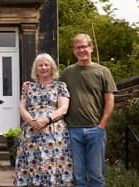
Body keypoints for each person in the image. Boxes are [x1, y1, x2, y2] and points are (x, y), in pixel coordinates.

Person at [60, 33, 117, 187]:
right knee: (78, 177)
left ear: (91, 48)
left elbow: (110, 100)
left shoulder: (103, 72)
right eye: (77, 47)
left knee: (96, 176)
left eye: (84, 46)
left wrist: (102, 125)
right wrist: (30, 84)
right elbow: (54, 92)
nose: (81, 50)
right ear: (74, 51)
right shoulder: (67, 73)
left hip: (95, 130)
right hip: (72, 131)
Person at [13, 53, 74, 186]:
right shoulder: (28, 87)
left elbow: (63, 109)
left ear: (52, 68)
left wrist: (46, 120)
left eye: (47, 65)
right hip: (31, 132)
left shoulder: (60, 86)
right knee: (31, 162)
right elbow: (22, 107)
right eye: (40, 65)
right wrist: (31, 122)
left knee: (51, 163)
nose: (44, 67)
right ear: (36, 69)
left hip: (53, 131)